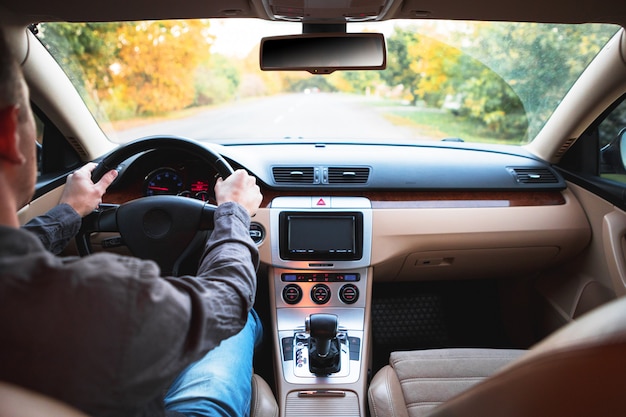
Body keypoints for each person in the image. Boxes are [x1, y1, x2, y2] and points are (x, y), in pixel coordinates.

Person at [0, 28, 264, 417]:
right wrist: (234, 212)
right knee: (241, 326)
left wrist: (70, 212)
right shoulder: (101, 298)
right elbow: (229, 300)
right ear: (9, 135)